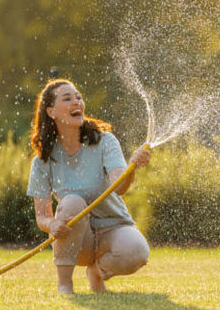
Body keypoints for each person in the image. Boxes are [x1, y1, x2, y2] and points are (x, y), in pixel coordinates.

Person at [27, 78, 152, 294]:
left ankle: (97, 271)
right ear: (51, 111)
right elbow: (42, 217)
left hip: (114, 227)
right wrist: (52, 225)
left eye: (78, 97)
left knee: (138, 252)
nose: (77, 102)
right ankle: (65, 285)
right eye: (67, 99)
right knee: (73, 201)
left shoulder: (105, 141)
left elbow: (119, 188)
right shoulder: (42, 161)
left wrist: (132, 167)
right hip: (77, 241)